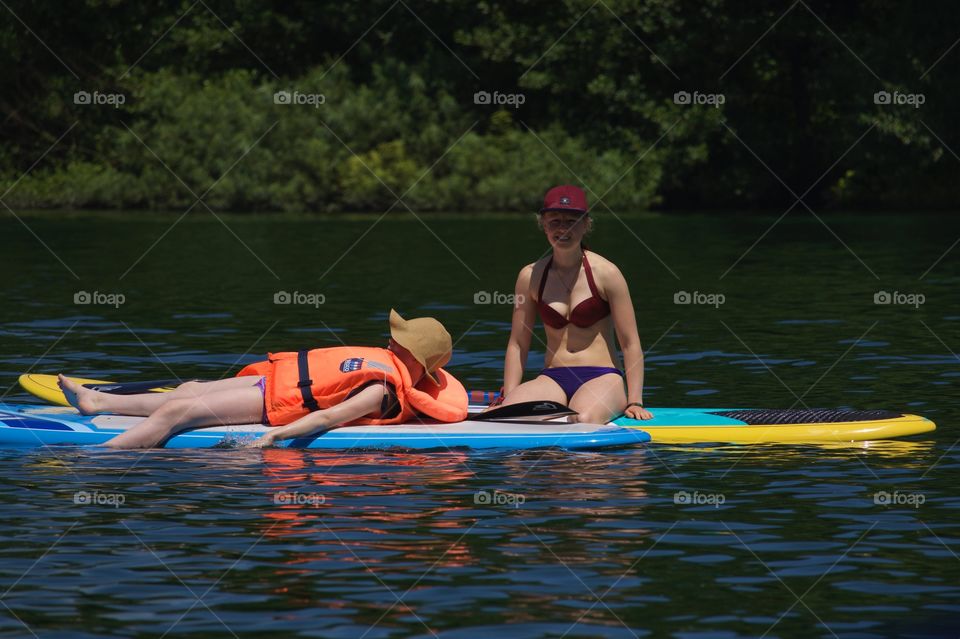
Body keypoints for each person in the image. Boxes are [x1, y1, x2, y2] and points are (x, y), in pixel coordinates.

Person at [58, 310, 468, 449]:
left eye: (398, 342)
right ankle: (100, 403)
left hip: (273, 408)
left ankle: (98, 460)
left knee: (177, 411)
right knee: (189, 390)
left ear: (413, 357)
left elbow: (327, 419)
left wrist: (273, 438)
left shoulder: (380, 390)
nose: (388, 342)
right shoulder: (381, 364)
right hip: (270, 383)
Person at [497, 184, 654, 424]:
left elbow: (630, 342)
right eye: (555, 221)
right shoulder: (530, 276)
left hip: (602, 377)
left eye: (571, 221)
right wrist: (509, 397)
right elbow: (518, 343)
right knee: (514, 417)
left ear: (586, 224)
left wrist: (635, 401)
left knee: (582, 419)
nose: (563, 228)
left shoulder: (607, 274)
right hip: (552, 378)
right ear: (543, 224)